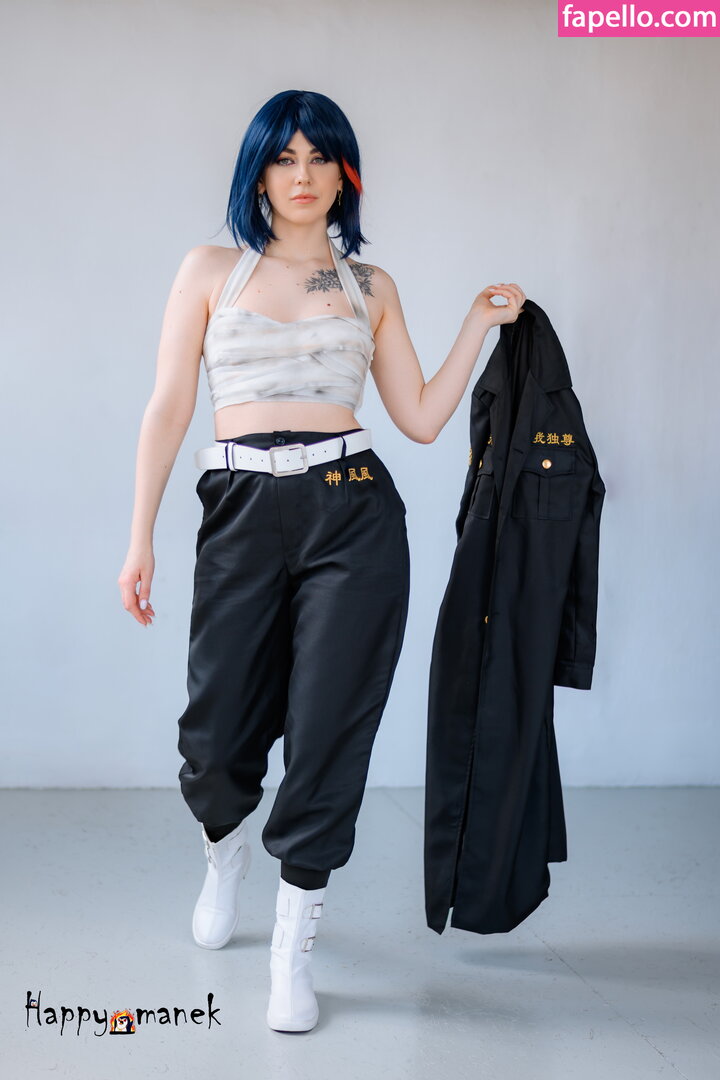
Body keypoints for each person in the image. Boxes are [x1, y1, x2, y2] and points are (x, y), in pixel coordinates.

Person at [117, 88, 525, 1033]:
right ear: (257, 172)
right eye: (283, 157)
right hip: (240, 509)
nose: (301, 176)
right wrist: (139, 536)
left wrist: (476, 324)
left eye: (319, 158)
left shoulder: (369, 286)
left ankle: (292, 945)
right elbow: (168, 407)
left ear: (346, 175)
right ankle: (224, 851)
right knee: (216, 739)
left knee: (329, 727)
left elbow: (419, 418)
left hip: (353, 513)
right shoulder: (210, 271)